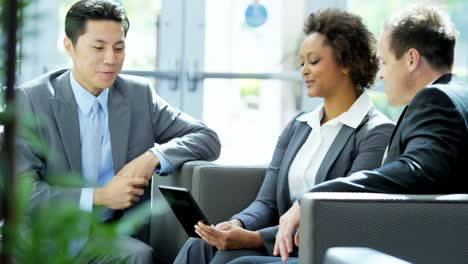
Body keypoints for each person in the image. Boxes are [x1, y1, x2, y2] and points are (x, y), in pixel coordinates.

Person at [174, 9, 394, 264]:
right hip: (277, 242)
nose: (304, 71)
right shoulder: (299, 126)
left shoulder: (375, 132)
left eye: (313, 61)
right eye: (302, 63)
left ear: (346, 63)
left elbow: (340, 214)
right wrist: (236, 224)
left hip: (319, 249)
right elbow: (266, 203)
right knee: (196, 247)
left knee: (232, 261)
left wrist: (255, 238)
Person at [15, 0, 220, 263]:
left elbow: (206, 138)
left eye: (119, 47)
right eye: (98, 47)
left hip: (109, 238)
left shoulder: (137, 95)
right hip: (47, 236)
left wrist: (151, 158)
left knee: (140, 256)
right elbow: (22, 194)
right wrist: (100, 197)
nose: (111, 59)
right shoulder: (32, 101)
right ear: (69, 46)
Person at [270, 4, 468, 264]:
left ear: (411, 59)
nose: (382, 74)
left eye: (385, 62)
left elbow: (415, 171)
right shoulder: (457, 96)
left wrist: (315, 196)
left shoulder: (435, 99)